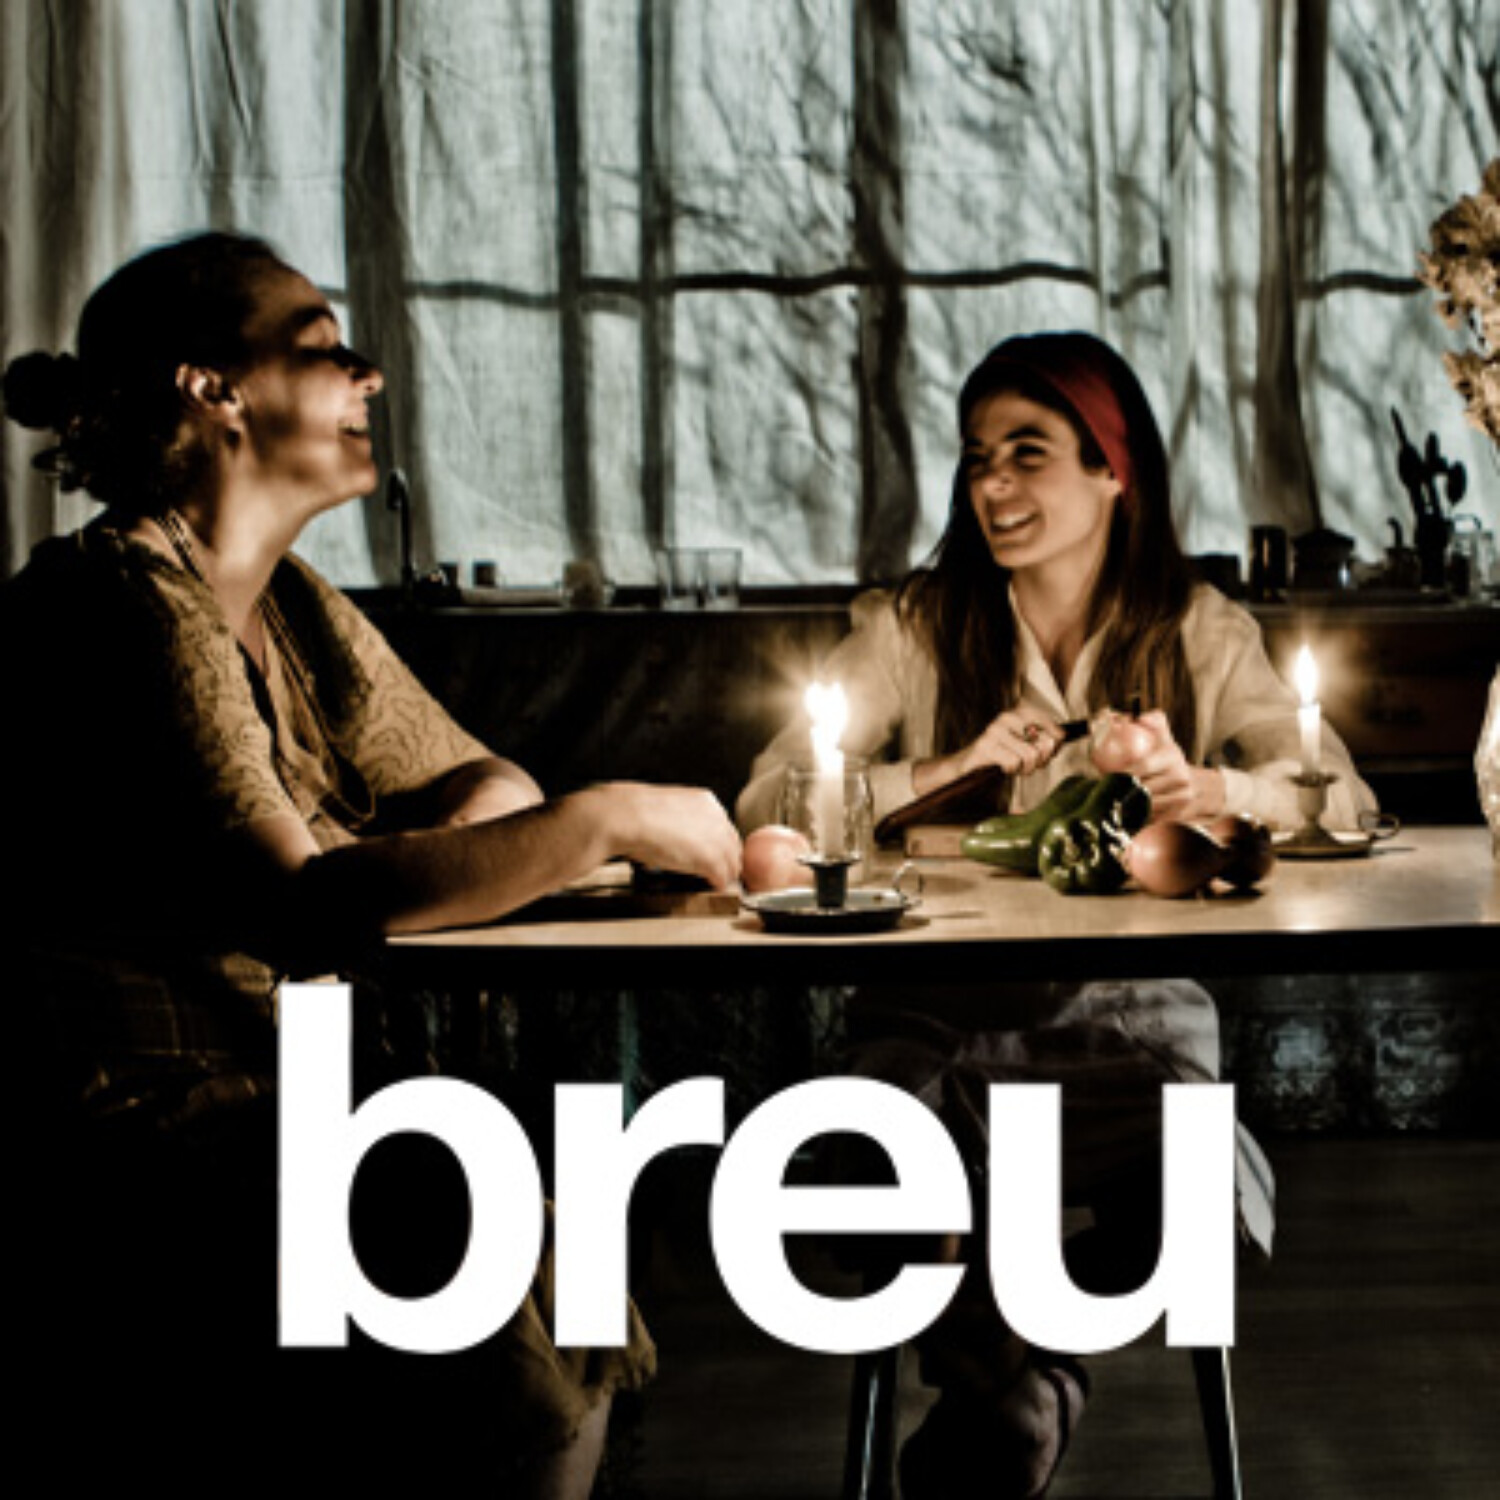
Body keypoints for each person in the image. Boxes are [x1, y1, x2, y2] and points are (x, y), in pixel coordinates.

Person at [1, 230, 742, 1495]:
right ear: (213, 391)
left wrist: (404, 854)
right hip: (132, 1128)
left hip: (290, 1100)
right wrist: (606, 819)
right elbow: (303, 910)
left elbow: (487, 781)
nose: (369, 375)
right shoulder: (124, 604)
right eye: (323, 347)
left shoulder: (289, 604)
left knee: (536, 1222)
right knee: (478, 1219)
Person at [737, 330, 1376, 1498]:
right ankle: (1020, 1395)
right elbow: (766, 800)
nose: (992, 484)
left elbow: (1341, 797)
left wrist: (1209, 786)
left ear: (1111, 470)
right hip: (934, 1016)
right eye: (978, 456)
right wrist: (945, 768)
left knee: (1195, 1193)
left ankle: (1024, 1379)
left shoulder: (1195, 627)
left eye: (1027, 452)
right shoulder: (917, 625)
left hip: (1127, 1024)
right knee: (886, 1168)